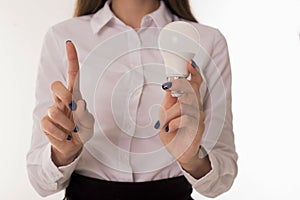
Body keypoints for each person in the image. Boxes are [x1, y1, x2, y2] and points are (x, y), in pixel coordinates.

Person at [26, 0, 238, 199]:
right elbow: (40, 181)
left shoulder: (206, 40)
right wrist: (63, 152)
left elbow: (220, 181)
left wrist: (191, 158)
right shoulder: (62, 36)